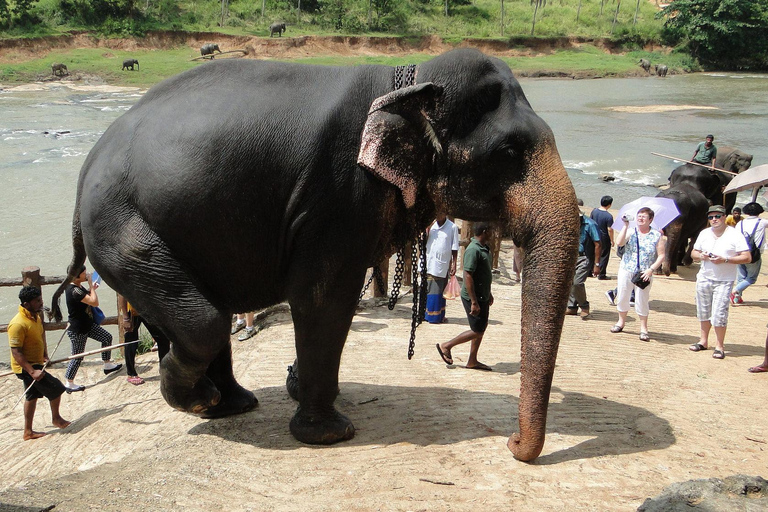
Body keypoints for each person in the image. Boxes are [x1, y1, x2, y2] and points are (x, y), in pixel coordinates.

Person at [689, 205, 751, 359]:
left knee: (719, 313)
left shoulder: (735, 235)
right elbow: (693, 253)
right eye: (711, 217)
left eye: (717, 216)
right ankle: (703, 341)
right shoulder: (704, 233)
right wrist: (701, 255)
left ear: (724, 217)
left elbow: (747, 257)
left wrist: (725, 259)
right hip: (704, 277)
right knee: (703, 311)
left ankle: (719, 346)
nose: (714, 220)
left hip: (724, 280)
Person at [8, 286, 70, 440]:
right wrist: (32, 371)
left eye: (41, 300)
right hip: (26, 366)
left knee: (31, 396)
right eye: (37, 301)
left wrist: (44, 356)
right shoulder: (17, 324)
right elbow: (16, 352)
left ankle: (28, 432)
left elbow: (38, 337)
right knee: (56, 388)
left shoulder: (35, 316)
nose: (41, 303)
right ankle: (56, 419)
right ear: (26, 304)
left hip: (35, 362)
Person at [436, 223, 494, 371]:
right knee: (477, 330)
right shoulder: (473, 250)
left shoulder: (484, 248)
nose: (493, 233)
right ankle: (447, 345)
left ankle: (472, 360)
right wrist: (474, 302)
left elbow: (484, 274)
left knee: (481, 327)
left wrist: (489, 293)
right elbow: (468, 275)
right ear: (485, 231)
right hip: (473, 297)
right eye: (491, 230)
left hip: (482, 295)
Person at [610, 207, 665, 341]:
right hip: (626, 269)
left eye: (644, 216)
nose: (640, 218)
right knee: (623, 296)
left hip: (644, 272)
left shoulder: (657, 235)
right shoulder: (630, 231)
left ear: (650, 220)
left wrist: (651, 269)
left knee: (642, 299)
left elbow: (661, 255)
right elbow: (619, 242)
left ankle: (643, 328)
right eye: (639, 216)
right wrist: (625, 226)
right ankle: (620, 322)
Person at [64, 265, 121, 391]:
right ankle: (69, 382)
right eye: (84, 274)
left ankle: (107, 364)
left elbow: (88, 298)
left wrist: (92, 289)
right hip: (78, 329)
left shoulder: (77, 287)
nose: (87, 275)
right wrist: (90, 285)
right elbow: (94, 302)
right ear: (77, 276)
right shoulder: (74, 290)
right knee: (77, 356)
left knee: (106, 337)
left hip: (87, 325)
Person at [118, 296, 171, 385]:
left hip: (148, 309)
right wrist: (125, 317)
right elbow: (121, 294)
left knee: (163, 339)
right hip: (131, 312)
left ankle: (164, 369)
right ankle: (131, 373)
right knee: (131, 343)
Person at [424, 212, 460, 324]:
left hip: (441, 263)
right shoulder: (431, 226)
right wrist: (428, 228)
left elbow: (454, 247)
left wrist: (454, 263)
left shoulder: (452, 227)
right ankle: (426, 314)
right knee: (427, 290)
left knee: (438, 290)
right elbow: (423, 241)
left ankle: (436, 316)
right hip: (428, 261)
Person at [566, 207, 601, 319]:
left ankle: (584, 306)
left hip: (584, 257)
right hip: (571, 256)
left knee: (577, 283)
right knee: (570, 282)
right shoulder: (570, 223)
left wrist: (597, 264)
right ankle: (572, 307)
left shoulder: (590, 224)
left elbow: (598, 244)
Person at [732, 202, 768, 305]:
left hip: (740, 252)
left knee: (741, 276)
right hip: (754, 254)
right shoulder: (762, 222)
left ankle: (737, 298)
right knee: (751, 278)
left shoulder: (740, 223)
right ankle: (735, 291)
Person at [590, 195, 614, 280]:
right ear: (610, 204)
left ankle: (590, 271)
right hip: (604, 237)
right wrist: (612, 240)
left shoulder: (594, 211)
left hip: (593, 234)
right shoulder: (609, 216)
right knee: (604, 255)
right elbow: (610, 229)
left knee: (593, 253)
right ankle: (602, 274)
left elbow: (590, 222)